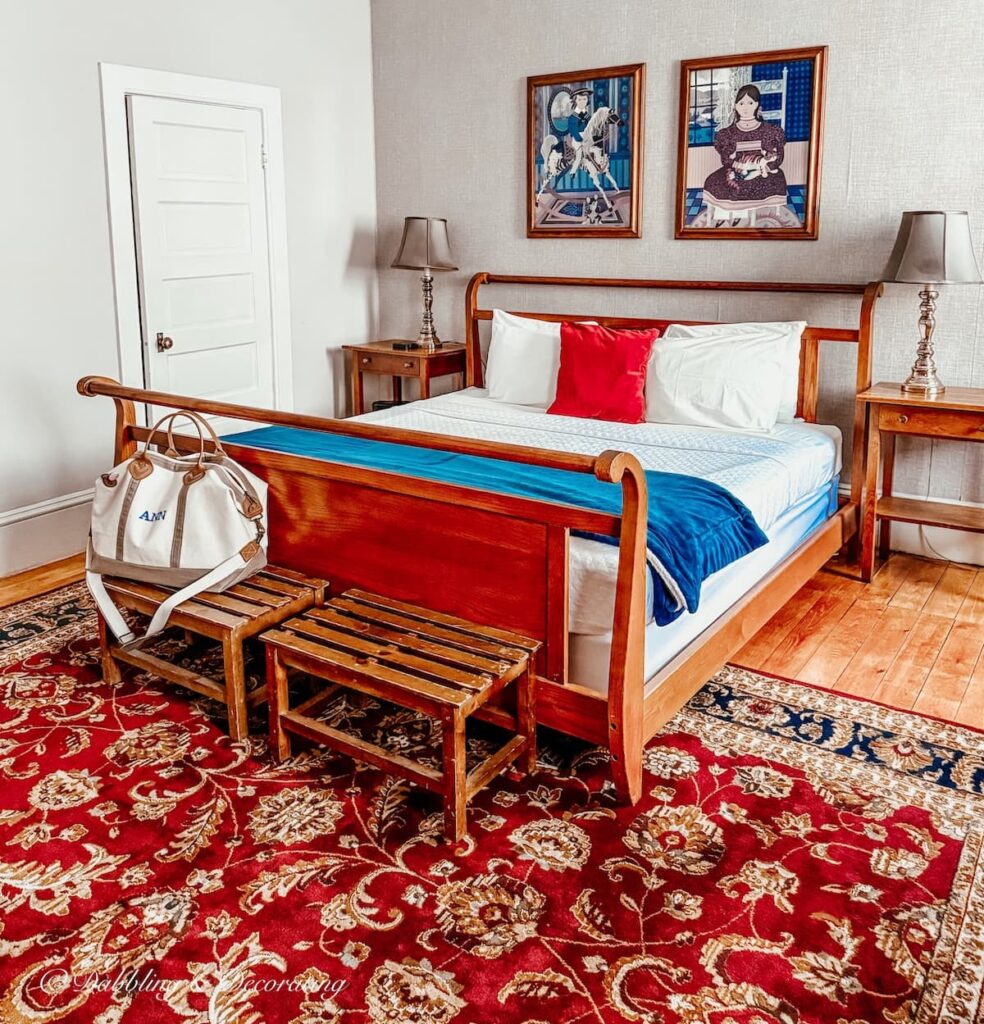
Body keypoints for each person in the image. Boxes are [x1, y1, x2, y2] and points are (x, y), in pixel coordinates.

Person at [701, 84, 790, 224]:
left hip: (761, 169)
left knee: (746, 184)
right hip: (736, 167)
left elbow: (777, 155)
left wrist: (766, 166)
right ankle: (722, 216)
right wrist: (736, 164)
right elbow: (725, 159)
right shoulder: (728, 133)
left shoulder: (770, 131)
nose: (745, 107)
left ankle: (740, 216)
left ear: (757, 105)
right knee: (715, 181)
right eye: (741, 103)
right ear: (735, 106)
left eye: (750, 102)